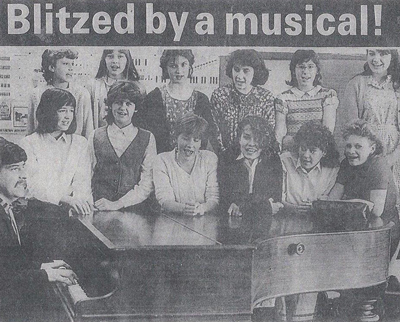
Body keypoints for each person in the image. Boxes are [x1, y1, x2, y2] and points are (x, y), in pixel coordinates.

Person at [328, 120, 400, 322]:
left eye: (358, 146)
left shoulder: (378, 164)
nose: (351, 151)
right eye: (349, 145)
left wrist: (346, 203)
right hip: (357, 229)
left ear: (372, 148)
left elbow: (375, 209)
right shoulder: (346, 164)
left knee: (368, 292)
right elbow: (334, 199)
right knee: (347, 287)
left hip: (382, 232)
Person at [0, 137, 77, 321]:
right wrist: (44, 275)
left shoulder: (6, 207)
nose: (24, 175)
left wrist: (41, 267)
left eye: (23, 167)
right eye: (14, 169)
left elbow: (7, 263)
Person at [273, 121, 340, 322]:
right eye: (303, 148)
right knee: (282, 278)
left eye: (313, 150)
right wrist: (290, 207)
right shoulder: (284, 160)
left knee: (308, 278)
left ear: (324, 152)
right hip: (283, 225)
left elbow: (330, 201)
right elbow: (277, 196)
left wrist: (316, 208)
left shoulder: (332, 170)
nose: (306, 155)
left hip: (315, 230)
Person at [20, 88, 93, 216]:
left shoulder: (80, 143)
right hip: (39, 213)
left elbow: (82, 182)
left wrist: (79, 203)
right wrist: (65, 199)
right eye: (62, 110)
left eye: (71, 111)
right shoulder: (29, 143)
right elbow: (31, 185)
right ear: (48, 112)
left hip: (73, 214)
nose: (68, 116)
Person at [88, 81, 156, 211]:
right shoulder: (96, 135)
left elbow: (147, 184)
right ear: (110, 105)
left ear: (135, 108)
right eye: (118, 102)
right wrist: (91, 203)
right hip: (98, 207)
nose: (122, 108)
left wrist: (118, 203)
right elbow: (87, 175)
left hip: (133, 210)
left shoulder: (147, 138)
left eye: (128, 104)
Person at [341, 48, 400, 196]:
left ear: (392, 56)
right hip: (365, 152)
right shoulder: (356, 84)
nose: (376, 59)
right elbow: (352, 129)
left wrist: (393, 157)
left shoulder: (397, 84)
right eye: (372, 53)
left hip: (396, 151)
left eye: (383, 54)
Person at [136, 49, 218, 153]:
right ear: (166, 68)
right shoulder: (154, 97)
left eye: (183, 65)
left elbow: (207, 134)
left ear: (190, 66)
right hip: (160, 160)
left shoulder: (202, 100)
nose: (179, 71)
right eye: (173, 66)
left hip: (192, 161)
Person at [219, 116, 283, 237]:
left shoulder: (273, 160)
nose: (251, 144)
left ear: (264, 141)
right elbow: (224, 202)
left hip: (265, 227)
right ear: (239, 138)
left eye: (257, 139)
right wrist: (264, 206)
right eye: (246, 137)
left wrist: (242, 206)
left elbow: (276, 202)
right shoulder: (227, 157)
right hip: (231, 226)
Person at [153, 113, 219, 216]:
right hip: (172, 220)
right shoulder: (162, 160)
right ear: (176, 138)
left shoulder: (210, 159)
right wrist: (184, 209)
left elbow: (213, 197)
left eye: (196, 140)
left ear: (201, 142)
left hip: (204, 219)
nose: (190, 145)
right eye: (185, 138)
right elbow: (164, 199)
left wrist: (202, 208)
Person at [210, 49, 274, 152]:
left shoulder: (265, 98)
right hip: (226, 157)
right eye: (236, 69)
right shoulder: (220, 95)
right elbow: (214, 131)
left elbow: (268, 133)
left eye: (246, 71)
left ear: (255, 72)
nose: (239, 76)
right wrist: (225, 156)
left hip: (255, 156)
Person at [275, 49, 339, 150]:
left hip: (317, 151)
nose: (305, 72)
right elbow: (279, 133)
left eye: (310, 67)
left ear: (317, 70)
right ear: (293, 70)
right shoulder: (283, 98)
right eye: (301, 67)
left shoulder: (327, 95)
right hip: (291, 152)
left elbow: (327, 132)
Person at [28, 48, 93, 139]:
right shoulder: (36, 94)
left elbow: (88, 130)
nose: (70, 68)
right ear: (52, 67)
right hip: (43, 147)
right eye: (65, 64)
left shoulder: (82, 94)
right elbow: (31, 130)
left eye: (72, 64)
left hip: (74, 149)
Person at [86, 49, 145, 129]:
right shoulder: (92, 86)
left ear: (127, 59)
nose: (115, 61)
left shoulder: (138, 87)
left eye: (120, 56)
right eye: (110, 56)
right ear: (104, 59)